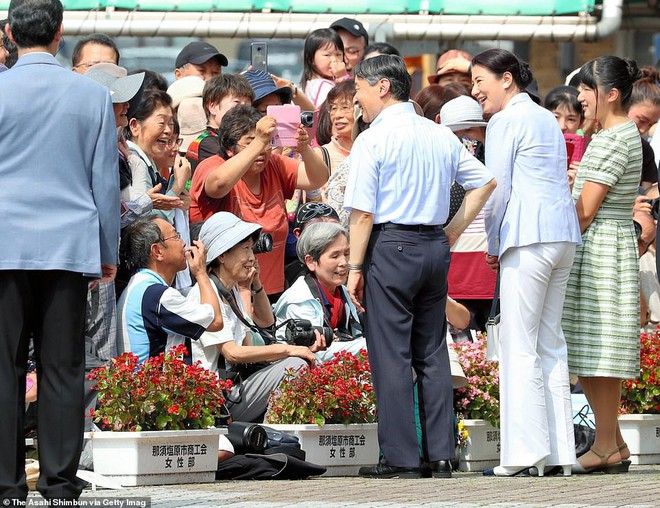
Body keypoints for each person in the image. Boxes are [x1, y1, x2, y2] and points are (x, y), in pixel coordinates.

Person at [344, 55, 495, 479]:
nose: (357, 100)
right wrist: (450, 232)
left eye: (358, 90)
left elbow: (361, 214)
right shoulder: (438, 133)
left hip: (391, 246)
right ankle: (441, 454)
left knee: (391, 354)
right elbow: (484, 181)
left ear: (382, 88)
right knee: (431, 351)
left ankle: (400, 457)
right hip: (432, 245)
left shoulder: (372, 139)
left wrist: (355, 267)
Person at [0, 0, 119, 502]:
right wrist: (106, 249)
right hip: (68, 244)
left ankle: (5, 484)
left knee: (4, 366)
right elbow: (104, 183)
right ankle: (58, 482)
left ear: (8, 33)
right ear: (60, 33)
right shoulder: (91, 96)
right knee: (64, 366)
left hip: (4, 243)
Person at [470, 48, 582, 477]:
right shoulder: (542, 116)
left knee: (520, 344)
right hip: (562, 234)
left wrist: (494, 242)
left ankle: (521, 455)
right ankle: (559, 455)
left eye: (481, 80)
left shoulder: (505, 120)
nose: (477, 89)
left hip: (528, 236)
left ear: (507, 79)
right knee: (550, 342)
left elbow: (496, 189)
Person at [562, 56, 644, 474]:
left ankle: (607, 445)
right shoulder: (614, 134)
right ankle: (613, 442)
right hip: (602, 245)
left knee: (601, 352)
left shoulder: (613, 138)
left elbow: (586, 210)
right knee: (592, 350)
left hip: (602, 248)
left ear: (611, 94)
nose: (578, 98)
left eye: (586, 90)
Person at [190, 212, 321, 422]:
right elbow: (232, 353)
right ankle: (274, 430)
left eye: (252, 249)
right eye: (245, 249)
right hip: (218, 399)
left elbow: (259, 338)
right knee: (294, 365)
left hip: (236, 389)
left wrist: (300, 350)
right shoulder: (206, 294)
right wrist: (288, 350)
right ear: (221, 256)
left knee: (301, 360)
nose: (252, 257)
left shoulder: (231, 292)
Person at [189, 105, 329, 301]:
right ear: (230, 149)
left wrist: (304, 149)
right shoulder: (213, 165)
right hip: (226, 294)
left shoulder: (275, 165)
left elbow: (318, 178)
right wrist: (261, 140)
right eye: (250, 142)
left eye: (268, 142)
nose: (263, 150)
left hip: (271, 290)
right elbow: (218, 185)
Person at [117, 216, 223, 364]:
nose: (184, 242)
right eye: (176, 236)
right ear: (157, 251)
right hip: (152, 386)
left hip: (139, 383)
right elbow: (216, 321)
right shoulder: (157, 295)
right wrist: (201, 272)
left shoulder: (138, 286)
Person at [274, 222, 367, 362]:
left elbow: (356, 334)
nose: (344, 262)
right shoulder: (298, 299)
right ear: (311, 261)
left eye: (347, 254)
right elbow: (314, 353)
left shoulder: (343, 291)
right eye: (335, 256)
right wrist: (369, 347)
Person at [186, 73, 254, 171]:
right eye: (236, 102)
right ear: (212, 106)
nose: (244, 110)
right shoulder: (207, 144)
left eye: (247, 104)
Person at [284, 202, 340, 287]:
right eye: (316, 229)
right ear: (298, 234)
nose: (327, 235)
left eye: (333, 228)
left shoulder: (346, 267)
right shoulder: (290, 275)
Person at [300, 28, 348, 108]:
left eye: (338, 54)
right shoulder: (324, 87)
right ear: (311, 59)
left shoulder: (311, 84)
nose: (334, 60)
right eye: (327, 55)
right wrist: (343, 77)